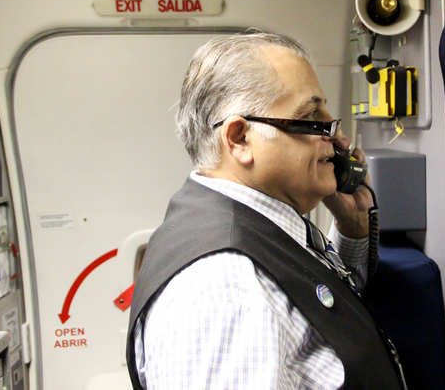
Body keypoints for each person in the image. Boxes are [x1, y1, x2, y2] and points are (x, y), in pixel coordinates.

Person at [126, 32, 404, 389]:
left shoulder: (256, 225)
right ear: (240, 139)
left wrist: (352, 229)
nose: (335, 134)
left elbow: (320, 316)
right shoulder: (225, 289)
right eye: (311, 115)